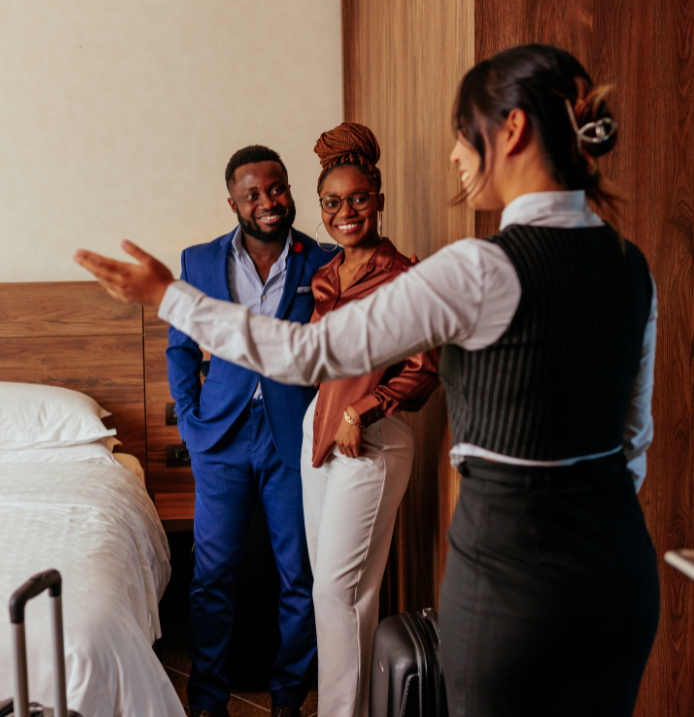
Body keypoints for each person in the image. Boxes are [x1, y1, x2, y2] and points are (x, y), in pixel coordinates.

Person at [75, 43, 660, 717]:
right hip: (619, 565)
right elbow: (631, 440)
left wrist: (167, 295)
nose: (455, 157)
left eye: (463, 135)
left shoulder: (478, 269)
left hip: (513, 575)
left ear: (514, 130)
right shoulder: (629, 263)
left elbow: (310, 353)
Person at [166, 145, 336, 717]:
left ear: (290, 190)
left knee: (300, 578)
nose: (268, 201)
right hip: (222, 439)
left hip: (295, 436)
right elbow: (180, 349)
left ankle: (289, 700)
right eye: (253, 194)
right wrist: (191, 424)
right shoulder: (199, 262)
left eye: (277, 188)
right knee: (211, 577)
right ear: (233, 202)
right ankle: (209, 700)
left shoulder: (325, 260)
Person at [302, 122, 439, 717]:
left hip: (372, 444)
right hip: (322, 438)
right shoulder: (325, 277)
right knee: (330, 594)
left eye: (359, 198)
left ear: (379, 200)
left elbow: (425, 368)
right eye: (333, 202)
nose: (346, 211)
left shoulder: (405, 276)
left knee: (342, 593)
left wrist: (362, 407)